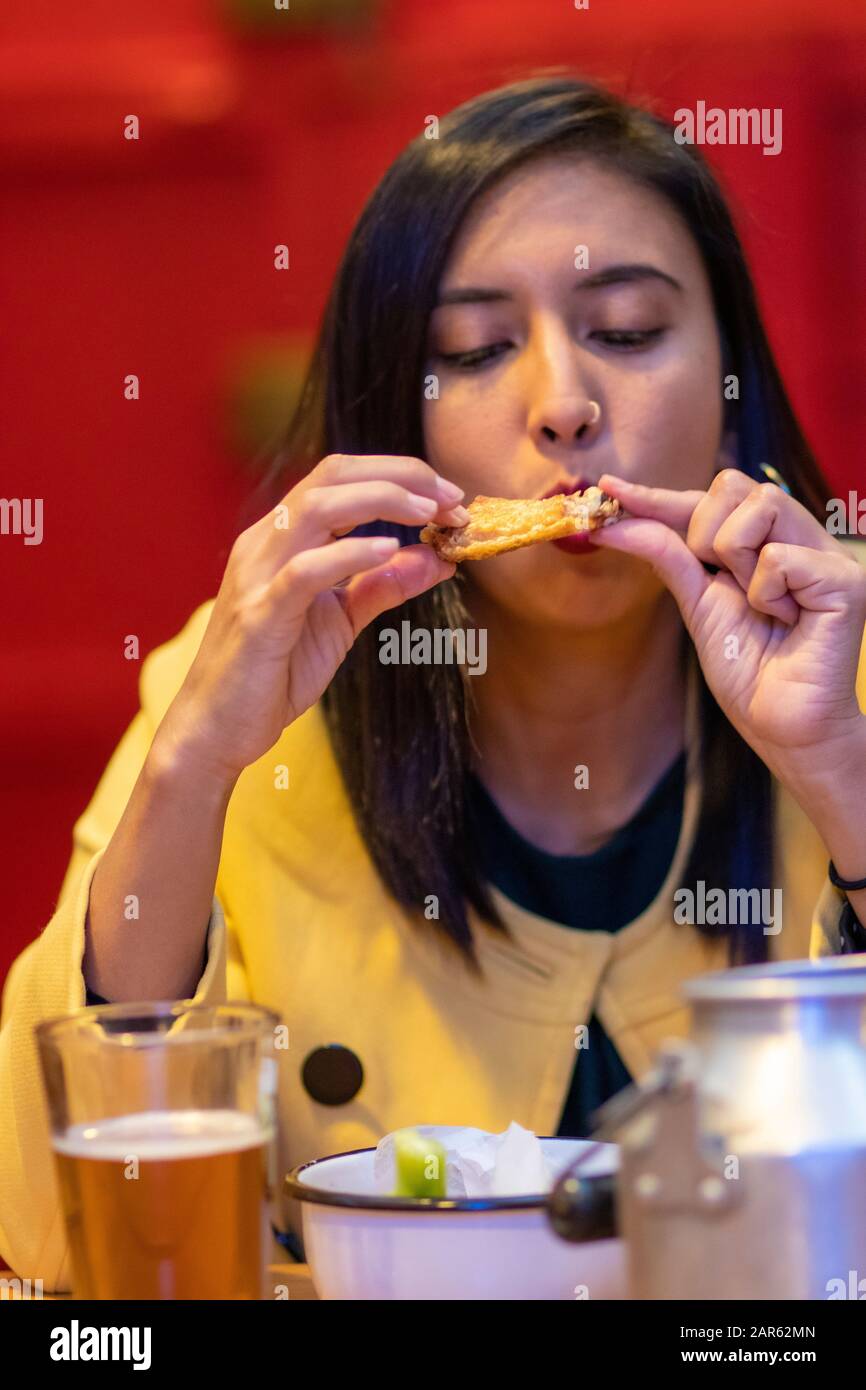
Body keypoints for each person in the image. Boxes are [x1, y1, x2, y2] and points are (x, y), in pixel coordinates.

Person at [3, 76, 866, 1290]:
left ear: (732, 392)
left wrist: (838, 769)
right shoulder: (258, 686)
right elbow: (62, 1252)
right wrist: (193, 761)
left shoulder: (846, 644)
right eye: (471, 351)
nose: (562, 406)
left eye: (623, 329)